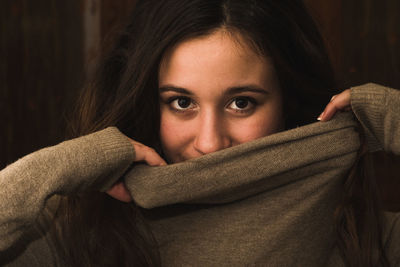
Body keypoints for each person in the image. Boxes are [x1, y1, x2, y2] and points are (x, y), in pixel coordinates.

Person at [0, 0, 399, 266]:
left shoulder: (366, 240)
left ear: (288, 102)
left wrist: (389, 116)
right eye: (181, 102)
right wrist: (58, 167)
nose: (209, 142)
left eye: (241, 103)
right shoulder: (76, 234)